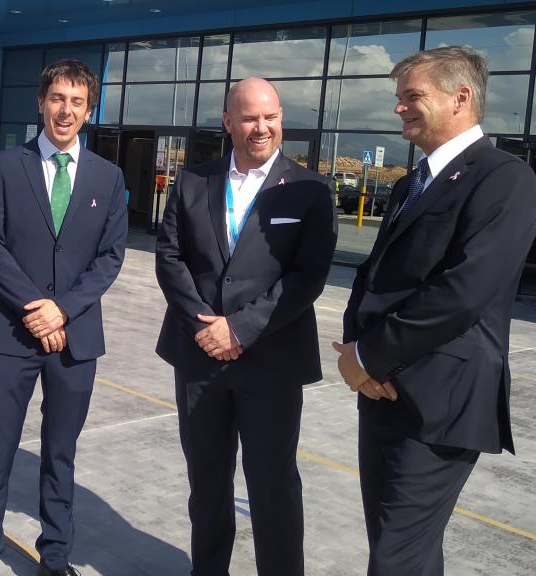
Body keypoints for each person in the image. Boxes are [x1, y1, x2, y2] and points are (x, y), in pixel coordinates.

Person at [335, 46, 536, 575]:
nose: (400, 108)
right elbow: (376, 275)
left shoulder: (503, 179)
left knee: (397, 556)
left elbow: (463, 292)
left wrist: (370, 355)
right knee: (399, 548)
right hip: (383, 394)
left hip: (439, 403)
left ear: (461, 98)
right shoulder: (411, 182)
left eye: (412, 96)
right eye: (399, 98)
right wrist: (355, 351)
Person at [155, 77, 337, 575]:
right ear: (228, 122)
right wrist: (204, 327)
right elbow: (170, 259)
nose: (263, 128)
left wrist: (238, 329)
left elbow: (309, 275)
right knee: (207, 483)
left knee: (273, 485)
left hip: (271, 363)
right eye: (251, 118)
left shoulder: (310, 190)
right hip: (199, 359)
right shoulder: (193, 181)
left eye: (271, 117)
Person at [0, 59, 127, 576]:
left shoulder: (108, 176)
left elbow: (110, 257)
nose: (66, 110)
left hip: (76, 340)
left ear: (89, 110)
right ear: (41, 102)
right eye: (58, 98)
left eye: (77, 102)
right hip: (12, 334)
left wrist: (64, 309)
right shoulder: (4, 168)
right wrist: (36, 309)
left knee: (61, 454)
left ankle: (54, 557)